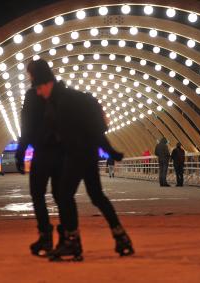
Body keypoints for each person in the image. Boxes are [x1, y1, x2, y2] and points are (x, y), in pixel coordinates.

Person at [26, 59, 133, 261]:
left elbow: (89, 129)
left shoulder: (65, 102)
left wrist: (110, 151)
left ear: (47, 84)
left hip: (78, 154)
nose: (38, 92)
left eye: (39, 87)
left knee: (64, 196)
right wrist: (109, 151)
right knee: (96, 196)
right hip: (87, 153)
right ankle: (120, 235)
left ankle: (72, 241)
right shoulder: (61, 99)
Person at [15, 87, 64, 257]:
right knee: (62, 196)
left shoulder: (32, 95)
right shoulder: (61, 92)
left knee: (37, 193)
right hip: (62, 152)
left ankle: (46, 236)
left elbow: (26, 126)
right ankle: (67, 236)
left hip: (42, 152)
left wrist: (21, 152)